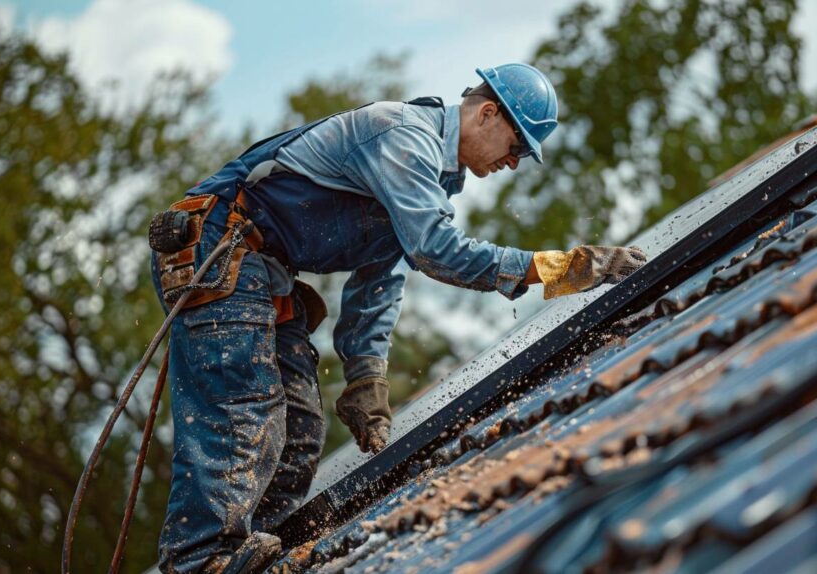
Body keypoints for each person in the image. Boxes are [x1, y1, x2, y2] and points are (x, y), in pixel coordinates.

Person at [148, 63, 646, 573]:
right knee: (245, 402)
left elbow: (377, 282)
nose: (513, 164)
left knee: (298, 430)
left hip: (262, 274)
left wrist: (366, 378)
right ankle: (200, 559)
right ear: (488, 113)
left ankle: (252, 549)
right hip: (217, 249)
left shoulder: (432, 178)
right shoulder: (404, 137)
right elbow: (436, 249)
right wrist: (554, 268)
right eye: (516, 148)